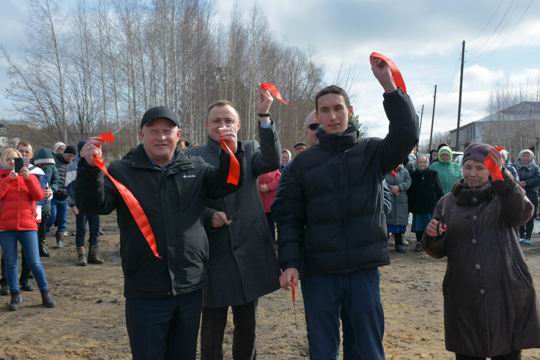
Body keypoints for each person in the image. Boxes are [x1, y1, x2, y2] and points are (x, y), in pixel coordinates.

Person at [275, 55, 418, 359]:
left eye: (338, 108)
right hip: (319, 273)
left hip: (362, 270)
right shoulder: (302, 165)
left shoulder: (371, 152)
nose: (333, 115)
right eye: (325, 110)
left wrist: (389, 87)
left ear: (349, 112)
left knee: (366, 347)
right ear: (317, 116)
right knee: (323, 348)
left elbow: (407, 134)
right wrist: (289, 262)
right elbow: (288, 218)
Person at [76, 105, 243, 360]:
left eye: (167, 130)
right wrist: (89, 169)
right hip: (145, 289)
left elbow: (228, 183)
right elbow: (93, 205)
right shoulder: (122, 171)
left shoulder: (195, 167)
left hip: (189, 286)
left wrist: (231, 153)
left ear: (179, 134)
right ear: (141, 135)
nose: (161, 137)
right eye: (153, 131)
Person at [423, 143, 540, 360]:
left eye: (480, 168)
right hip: (464, 295)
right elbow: (437, 251)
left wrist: (502, 177)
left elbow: (521, 214)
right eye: (468, 167)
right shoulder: (447, 203)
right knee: (468, 352)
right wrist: (433, 236)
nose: (473, 173)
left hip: (505, 291)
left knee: (507, 351)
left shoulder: (504, 196)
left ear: (490, 170)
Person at [187, 91, 281, 360]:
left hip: (248, 249)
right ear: (207, 126)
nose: (222, 125)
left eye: (228, 120)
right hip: (212, 253)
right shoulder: (194, 155)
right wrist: (208, 215)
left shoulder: (249, 149)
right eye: (216, 121)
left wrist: (264, 115)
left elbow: (273, 161)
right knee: (212, 327)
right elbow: (185, 201)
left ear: (238, 125)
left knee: (247, 325)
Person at [0, 148, 56, 311]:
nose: (12, 162)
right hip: (5, 226)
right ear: (3, 160)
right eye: (8, 159)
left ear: (21, 160)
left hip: (27, 225)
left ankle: (45, 293)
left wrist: (29, 179)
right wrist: (8, 180)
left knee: (35, 262)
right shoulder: (2, 177)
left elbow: (39, 196)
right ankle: (15, 295)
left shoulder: (30, 176)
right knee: (10, 263)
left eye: (15, 159)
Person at [67, 141, 103, 266]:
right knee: (81, 229)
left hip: (94, 204)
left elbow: (100, 184)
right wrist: (72, 203)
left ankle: (93, 254)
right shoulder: (73, 166)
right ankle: (81, 255)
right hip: (80, 204)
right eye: (87, 148)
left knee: (95, 229)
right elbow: (69, 187)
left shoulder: (97, 164)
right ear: (81, 151)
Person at [407, 154, 443, 251]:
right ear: (417, 163)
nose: (422, 164)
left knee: (430, 225)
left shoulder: (433, 173)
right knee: (419, 227)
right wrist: (410, 205)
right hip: (418, 206)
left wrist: (441, 203)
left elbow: (439, 190)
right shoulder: (413, 175)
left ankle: (430, 243)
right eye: (420, 162)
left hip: (430, 205)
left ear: (427, 162)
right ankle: (419, 243)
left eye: (424, 162)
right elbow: (410, 192)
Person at [33, 148, 61, 257]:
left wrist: (52, 189)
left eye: (47, 164)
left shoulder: (52, 168)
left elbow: (56, 180)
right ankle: (34, 247)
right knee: (35, 225)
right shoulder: (31, 168)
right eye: (42, 164)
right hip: (33, 201)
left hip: (46, 200)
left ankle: (42, 245)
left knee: (43, 224)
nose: (44, 166)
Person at [49, 145, 76, 248]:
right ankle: (41, 238)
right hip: (53, 196)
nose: (70, 158)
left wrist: (73, 201)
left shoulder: (72, 166)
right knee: (52, 217)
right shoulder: (54, 161)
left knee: (62, 220)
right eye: (69, 155)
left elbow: (73, 184)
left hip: (64, 197)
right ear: (64, 153)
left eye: (72, 156)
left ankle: (59, 241)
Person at [384, 163, 412, 253]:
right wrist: (392, 189)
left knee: (399, 225)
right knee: (386, 224)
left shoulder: (404, 171)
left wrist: (399, 187)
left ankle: (399, 244)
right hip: (388, 198)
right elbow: (381, 181)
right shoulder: (384, 170)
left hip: (401, 201)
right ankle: (384, 245)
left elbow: (408, 181)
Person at [514, 149, 540, 245]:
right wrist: (517, 183)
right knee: (520, 214)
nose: (525, 157)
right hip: (518, 193)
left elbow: (538, 179)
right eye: (523, 156)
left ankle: (528, 237)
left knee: (530, 214)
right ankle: (520, 236)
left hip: (531, 193)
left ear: (531, 157)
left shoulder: (536, 167)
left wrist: (527, 183)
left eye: (527, 156)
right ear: (520, 156)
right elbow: (511, 176)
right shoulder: (514, 166)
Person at [258, 169, 281, 243]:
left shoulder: (274, 169)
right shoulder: (257, 166)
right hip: (259, 201)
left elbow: (279, 179)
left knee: (270, 223)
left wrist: (269, 186)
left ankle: (271, 242)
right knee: (259, 224)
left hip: (270, 202)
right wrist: (259, 187)